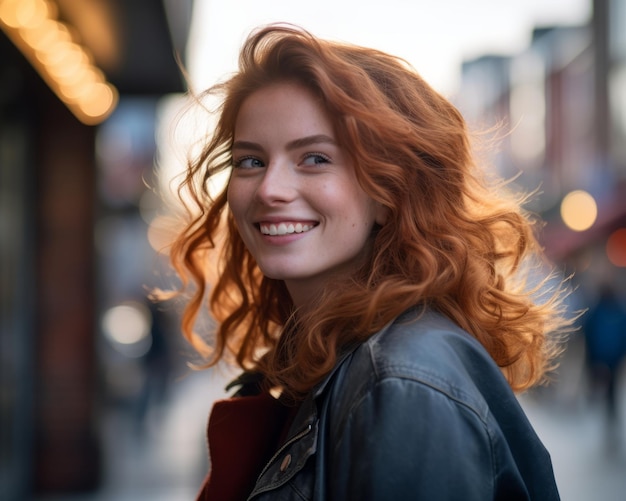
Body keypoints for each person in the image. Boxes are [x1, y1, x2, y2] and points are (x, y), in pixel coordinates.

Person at [167, 24, 571, 500]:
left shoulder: (400, 382)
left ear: (389, 193)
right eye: (250, 160)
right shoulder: (327, 361)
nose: (270, 189)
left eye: (314, 158)